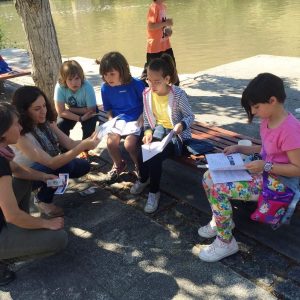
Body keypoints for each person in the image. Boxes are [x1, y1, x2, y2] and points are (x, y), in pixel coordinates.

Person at [198, 73, 300, 262]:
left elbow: (297, 169)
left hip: (280, 183)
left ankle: (226, 241)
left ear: (272, 100)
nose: (253, 112)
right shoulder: (268, 119)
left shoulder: (290, 129)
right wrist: (240, 148)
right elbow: (268, 148)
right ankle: (221, 221)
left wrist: (266, 165)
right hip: (264, 172)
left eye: (256, 107)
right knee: (208, 176)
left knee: (217, 188)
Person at [0, 102, 67, 286]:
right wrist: (45, 223)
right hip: (5, 220)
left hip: (4, 215)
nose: (21, 128)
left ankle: (20, 229)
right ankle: (3, 259)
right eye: (16, 124)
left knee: (22, 180)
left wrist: (45, 177)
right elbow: (11, 215)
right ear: (3, 133)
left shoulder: (2, 152)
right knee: (58, 238)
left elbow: (18, 171)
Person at [11, 86, 99, 218]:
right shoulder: (19, 133)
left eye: (44, 106)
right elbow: (51, 163)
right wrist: (81, 147)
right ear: (24, 111)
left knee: (83, 166)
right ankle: (43, 199)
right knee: (64, 165)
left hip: (44, 167)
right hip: (25, 177)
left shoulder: (45, 122)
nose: (43, 112)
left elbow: (69, 143)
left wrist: (92, 139)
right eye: (37, 108)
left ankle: (48, 187)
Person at [130, 54, 194, 213]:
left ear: (167, 79)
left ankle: (154, 192)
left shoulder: (178, 94)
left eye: (156, 81)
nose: (152, 85)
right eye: (149, 80)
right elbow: (146, 119)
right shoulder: (147, 94)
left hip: (175, 135)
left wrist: (182, 124)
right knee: (141, 152)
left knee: (155, 156)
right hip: (158, 130)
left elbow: (190, 116)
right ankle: (143, 179)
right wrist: (147, 132)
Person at [98, 51, 145, 182]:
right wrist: (110, 120)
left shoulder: (136, 84)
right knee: (110, 143)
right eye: (105, 75)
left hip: (136, 119)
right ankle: (119, 165)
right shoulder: (105, 88)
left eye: (112, 74)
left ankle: (140, 167)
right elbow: (108, 109)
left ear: (122, 70)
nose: (108, 78)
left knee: (129, 145)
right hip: (118, 120)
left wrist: (143, 116)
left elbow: (148, 103)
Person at [54, 60, 98, 158]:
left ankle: (85, 150)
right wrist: (80, 118)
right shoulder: (60, 87)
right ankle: (64, 151)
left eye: (77, 78)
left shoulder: (87, 86)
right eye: (70, 79)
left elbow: (91, 109)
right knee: (60, 124)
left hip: (86, 110)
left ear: (81, 78)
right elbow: (60, 112)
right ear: (64, 80)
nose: (74, 82)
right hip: (73, 110)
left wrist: (70, 110)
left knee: (89, 126)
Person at [141, 0, 179, 86]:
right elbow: (150, 26)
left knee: (172, 65)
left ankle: (175, 89)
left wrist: (168, 30)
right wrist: (166, 22)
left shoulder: (163, 6)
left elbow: (162, 26)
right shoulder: (154, 7)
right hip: (155, 46)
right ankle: (144, 89)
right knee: (151, 70)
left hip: (165, 44)